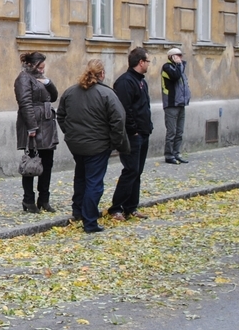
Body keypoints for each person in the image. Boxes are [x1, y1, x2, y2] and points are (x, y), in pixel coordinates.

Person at [57, 59, 130, 233]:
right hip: (98, 145)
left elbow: (60, 116)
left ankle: (78, 211)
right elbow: (118, 120)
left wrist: (70, 134)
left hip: (76, 144)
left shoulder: (70, 92)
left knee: (81, 177)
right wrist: (116, 142)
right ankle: (90, 221)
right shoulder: (106, 94)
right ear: (102, 74)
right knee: (94, 182)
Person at [108, 47, 154, 222]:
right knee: (130, 170)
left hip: (143, 132)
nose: (149, 64)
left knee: (137, 171)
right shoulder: (125, 82)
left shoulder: (141, 81)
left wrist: (147, 127)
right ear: (141, 62)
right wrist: (133, 130)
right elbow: (124, 109)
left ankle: (131, 206)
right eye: (148, 61)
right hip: (132, 135)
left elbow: (143, 107)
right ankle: (116, 207)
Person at [14, 51, 59, 213]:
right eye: (39, 66)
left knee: (47, 163)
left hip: (47, 124)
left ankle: (44, 199)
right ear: (31, 65)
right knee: (31, 165)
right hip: (33, 126)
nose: (42, 69)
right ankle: (28, 200)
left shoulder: (40, 78)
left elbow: (53, 97)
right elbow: (25, 103)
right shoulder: (23, 78)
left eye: (43, 67)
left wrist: (47, 82)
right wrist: (32, 127)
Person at [161, 47, 190, 164]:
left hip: (181, 103)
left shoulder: (180, 68)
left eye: (181, 55)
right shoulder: (167, 67)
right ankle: (169, 155)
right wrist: (178, 65)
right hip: (171, 103)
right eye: (177, 56)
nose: (180, 58)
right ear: (171, 57)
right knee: (171, 132)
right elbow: (175, 76)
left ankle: (176, 153)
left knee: (179, 131)